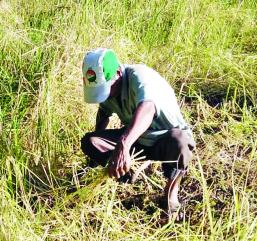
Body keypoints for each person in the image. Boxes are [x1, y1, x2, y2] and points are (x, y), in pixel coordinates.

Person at [80, 48, 195, 218]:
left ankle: (171, 192)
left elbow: (147, 108)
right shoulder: (111, 92)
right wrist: (93, 159)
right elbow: (104, 114)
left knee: (180, 142)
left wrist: (123, 145)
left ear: (118, 73)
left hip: (163, 139)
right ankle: (126, 173)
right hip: (136, 141)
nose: (105, 96)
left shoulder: (140, 77)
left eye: (106, 89)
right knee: (91, 141)